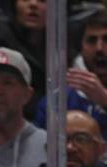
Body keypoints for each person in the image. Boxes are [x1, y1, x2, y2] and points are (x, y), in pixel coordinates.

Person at [35, 9, 107, 140]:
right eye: (91, 40)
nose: (99, 48)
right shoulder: (56, 101)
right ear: (81, 47)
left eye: (106, 40)